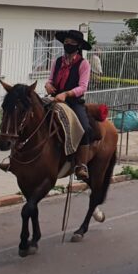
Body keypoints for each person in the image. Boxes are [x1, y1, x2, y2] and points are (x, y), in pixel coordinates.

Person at [40, 30, 93, 181]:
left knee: (84, 128)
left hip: (73, 101)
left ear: (78, 46)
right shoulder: (57, 61)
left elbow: (83, 87)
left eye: (72, 42)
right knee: (31, 113)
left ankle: (81, 165)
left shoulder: (84, 64)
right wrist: (48, 85)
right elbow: (50, 79)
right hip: (54, 98)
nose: (68, 44)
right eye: (66, 42)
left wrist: (67, 94)